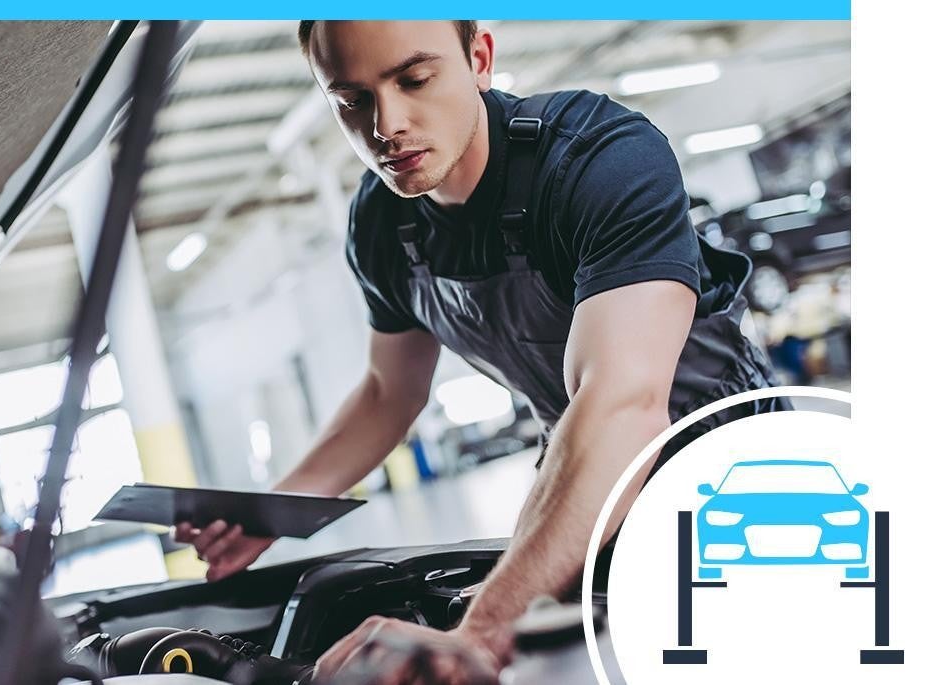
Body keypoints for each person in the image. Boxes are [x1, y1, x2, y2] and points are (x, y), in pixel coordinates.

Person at [174, 20, 786, 681]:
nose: (386, 125)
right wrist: (275, 510)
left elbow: (624, 404)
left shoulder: (600, 160)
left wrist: (484, 629)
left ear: (479, 58)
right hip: (579, 469)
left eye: (415, 79)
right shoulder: (382, 222)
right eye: (352, 100)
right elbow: (389, 392)